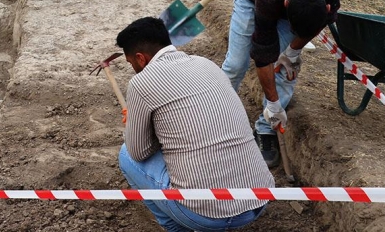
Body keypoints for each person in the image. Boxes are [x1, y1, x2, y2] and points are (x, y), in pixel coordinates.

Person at [116, 17, 274, 232]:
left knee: (126, 155)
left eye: (131, 63)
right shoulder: (207, 64)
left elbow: (138, 152)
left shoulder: (141, 83)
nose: (133, 68)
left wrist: (138, 123)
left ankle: (178, 227)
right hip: (259, 199)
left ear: (140, 58)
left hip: (206, 215)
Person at [221, 0, 348, 167]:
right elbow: (262, 55)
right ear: (286, 4)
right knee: (236, 64)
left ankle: (264, 130)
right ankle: (215, 119)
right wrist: (273, 103)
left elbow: (322, 21)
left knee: (287, 71)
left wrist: (292, 51)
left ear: (326, 6)